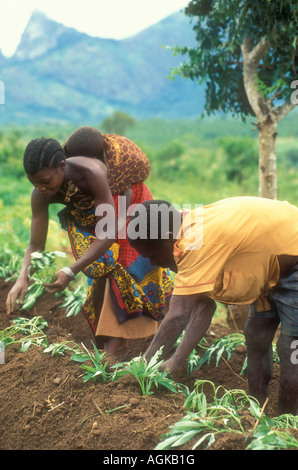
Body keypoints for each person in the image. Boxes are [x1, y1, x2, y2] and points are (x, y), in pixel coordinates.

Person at [6, 128, 173, 354]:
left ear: (62, 167)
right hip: (99, 217)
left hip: (127, 207)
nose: (40, 188)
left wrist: (71, 270)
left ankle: (117, 346)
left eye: (45, 181)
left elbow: (110, 233)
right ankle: (107, 342)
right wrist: (22, 277)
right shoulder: (40, 193)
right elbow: (36, 245)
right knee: (97, 271)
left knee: (123, 267)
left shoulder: (91, 173)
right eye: (34, 183)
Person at [127, 196, 298, 415]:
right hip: (269, 264)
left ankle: (288, 425)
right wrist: (176, 360)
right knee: (257, 334)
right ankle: (258, 414)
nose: (152, 263)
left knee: (290, 348)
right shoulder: (185, 232)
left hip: (292, 258)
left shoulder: (196, 242)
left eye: (151, 256)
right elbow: (203, 306)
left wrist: (144, 363)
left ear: (168, 238)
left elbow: (179, 315)